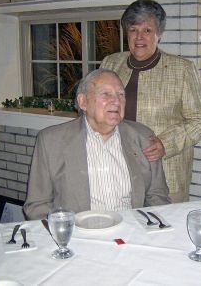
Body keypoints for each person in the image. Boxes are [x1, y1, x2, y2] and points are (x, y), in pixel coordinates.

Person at [100, 0, 201, 203]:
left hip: (166, 172)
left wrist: (165, 143)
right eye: (133, 30)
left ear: (159, 34)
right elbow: (96, 108)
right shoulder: (110, 63)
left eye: (147, 30)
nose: (139, 37)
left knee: (165, 231)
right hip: (118, 170)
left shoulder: (182, 69)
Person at [23, 68, 171, 220]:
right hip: (78, 236)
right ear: (83, 102)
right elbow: (37, 207)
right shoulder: (51, 141)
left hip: (131, 232)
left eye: (121, 95)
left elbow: (157, 196)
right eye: (106, 94)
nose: (116, 101)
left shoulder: (143, 137)